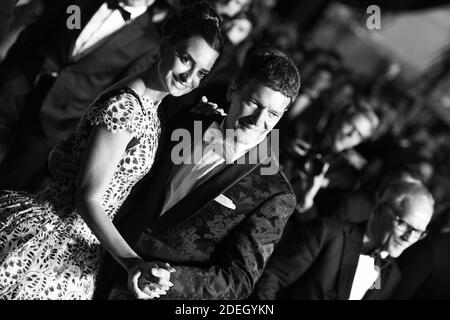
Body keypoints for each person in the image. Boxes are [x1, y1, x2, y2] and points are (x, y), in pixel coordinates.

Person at [0, 3, 223, 300]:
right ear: (166, 44)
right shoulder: (128, 106)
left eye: (202, 72)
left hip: (76, 249)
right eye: (185, 59)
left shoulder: (150, 105)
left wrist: (195, 119)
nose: (190, 77)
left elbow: (85, 145)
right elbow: (88, 198)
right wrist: (133, 264)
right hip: (52, 242)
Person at [87, 48, 301, 300]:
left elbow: (239, 279)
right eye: (253, 103)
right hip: (97, 261)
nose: (258, 120)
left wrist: (172, 280)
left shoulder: (274, 191)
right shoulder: (187, 120)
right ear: (233, 91)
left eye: (273, 114)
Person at [0, 0, 160, 191]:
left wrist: (72, 131)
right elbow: (39, 31)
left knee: (8, 184)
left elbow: (117, 95)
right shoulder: (82, 2)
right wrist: (12, 76)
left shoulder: (148, 43)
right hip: (17, 92)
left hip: (56, 122)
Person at [253, 179, 434, 300]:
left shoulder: (392, 276)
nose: (409, 237)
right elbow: (270, 280)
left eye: (419, 232)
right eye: (403, 224)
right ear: (380, 209)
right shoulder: (326, 233)